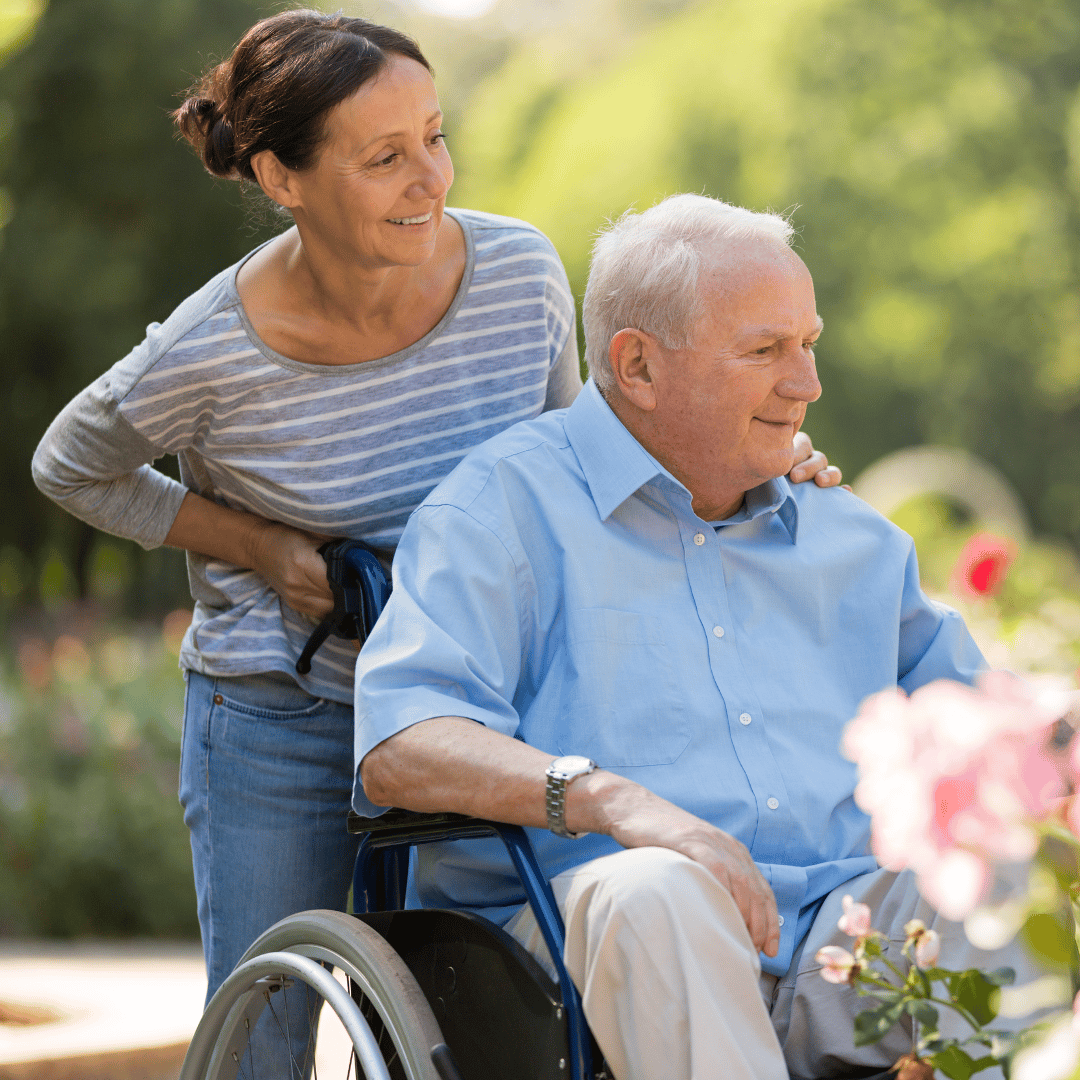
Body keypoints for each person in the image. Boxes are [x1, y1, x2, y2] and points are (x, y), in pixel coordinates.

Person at [29, 10, 841, 1067]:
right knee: (269, 1036)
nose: (431, 179)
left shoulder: (517, 274)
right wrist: (259, 548)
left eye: (435, 136)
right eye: (383, 158)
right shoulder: (211, 349)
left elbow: (581, 462)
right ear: (283, 178)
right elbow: (70, 463)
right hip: (290, 706)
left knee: (530, 997)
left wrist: (757, 446)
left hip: (489, 698)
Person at [354, 194, 1037, 1080]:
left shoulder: (852, 539)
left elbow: (991, 726)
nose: (807, 383)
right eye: (764, 351)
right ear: (637, 366)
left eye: (808, 344)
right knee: (659, 886)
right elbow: (400, 744)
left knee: (1032, 878)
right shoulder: (501, 513)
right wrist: (618, 804)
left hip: (842, 940)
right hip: (583, 953)